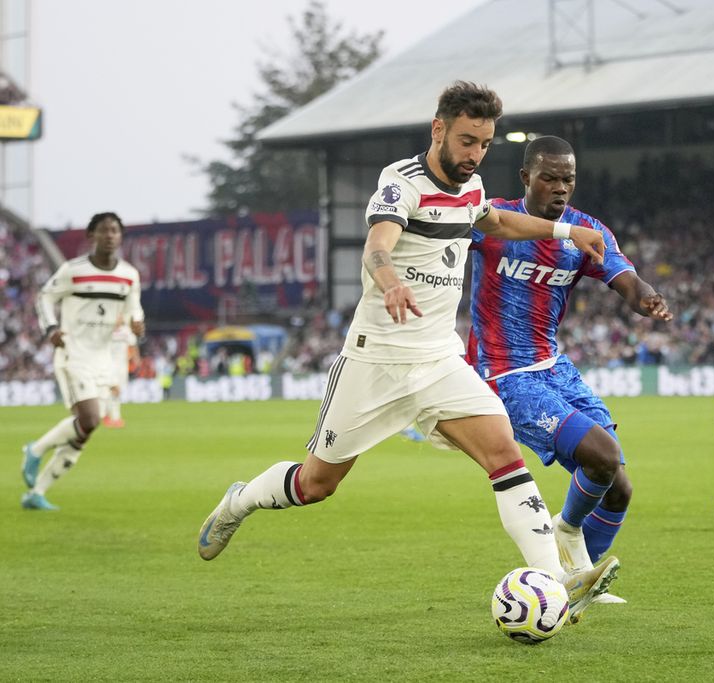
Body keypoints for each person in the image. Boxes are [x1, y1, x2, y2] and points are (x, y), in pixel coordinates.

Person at [196, 82, 617, 623]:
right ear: (438, 129)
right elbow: (378, 245)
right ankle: (240, 500)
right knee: (315, 483)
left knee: (503, 453)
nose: (474, 155)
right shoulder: (401, 183)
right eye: (467, 141)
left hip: (440, 360)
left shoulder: (472, 188)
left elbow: (495, 220)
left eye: (484, 144)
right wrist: (390, 280)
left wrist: (564, 231)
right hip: (376, 362)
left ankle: (556, 580)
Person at [467, 135, 672, 593]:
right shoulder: (493, 220)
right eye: (550, 178)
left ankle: (582, 583)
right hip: (503, 372)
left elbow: (625, 278)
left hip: (552, 366)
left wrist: (647, 299)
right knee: (602, 456)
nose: (561, 188)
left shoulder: (585, 230)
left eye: (569, 180)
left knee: (617, 485)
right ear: (526, 178)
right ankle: (565, 533)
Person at [21, 212, 145, 510]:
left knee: (87, 429)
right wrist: (51, 329)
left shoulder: (128, 275)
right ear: (91, 236)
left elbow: (134, 311)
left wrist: (137, 325)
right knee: (89, 419)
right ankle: (36, 450)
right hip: (73, 353)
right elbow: (44, 298)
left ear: (120, 236)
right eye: (104, 230)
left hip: (104, 358)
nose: (110, 236)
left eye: (115, 231)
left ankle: (37, 492)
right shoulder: (73, 271)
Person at [103, 316, 140, 428]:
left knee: (117, 390)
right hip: (107, 364)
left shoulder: (126, 331)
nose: (118, 319)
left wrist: (135, 359)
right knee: (114, 390)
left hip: (122, 365)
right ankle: (115, 417)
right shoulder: (106, 330)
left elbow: (133, 345)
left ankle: (107, 414)